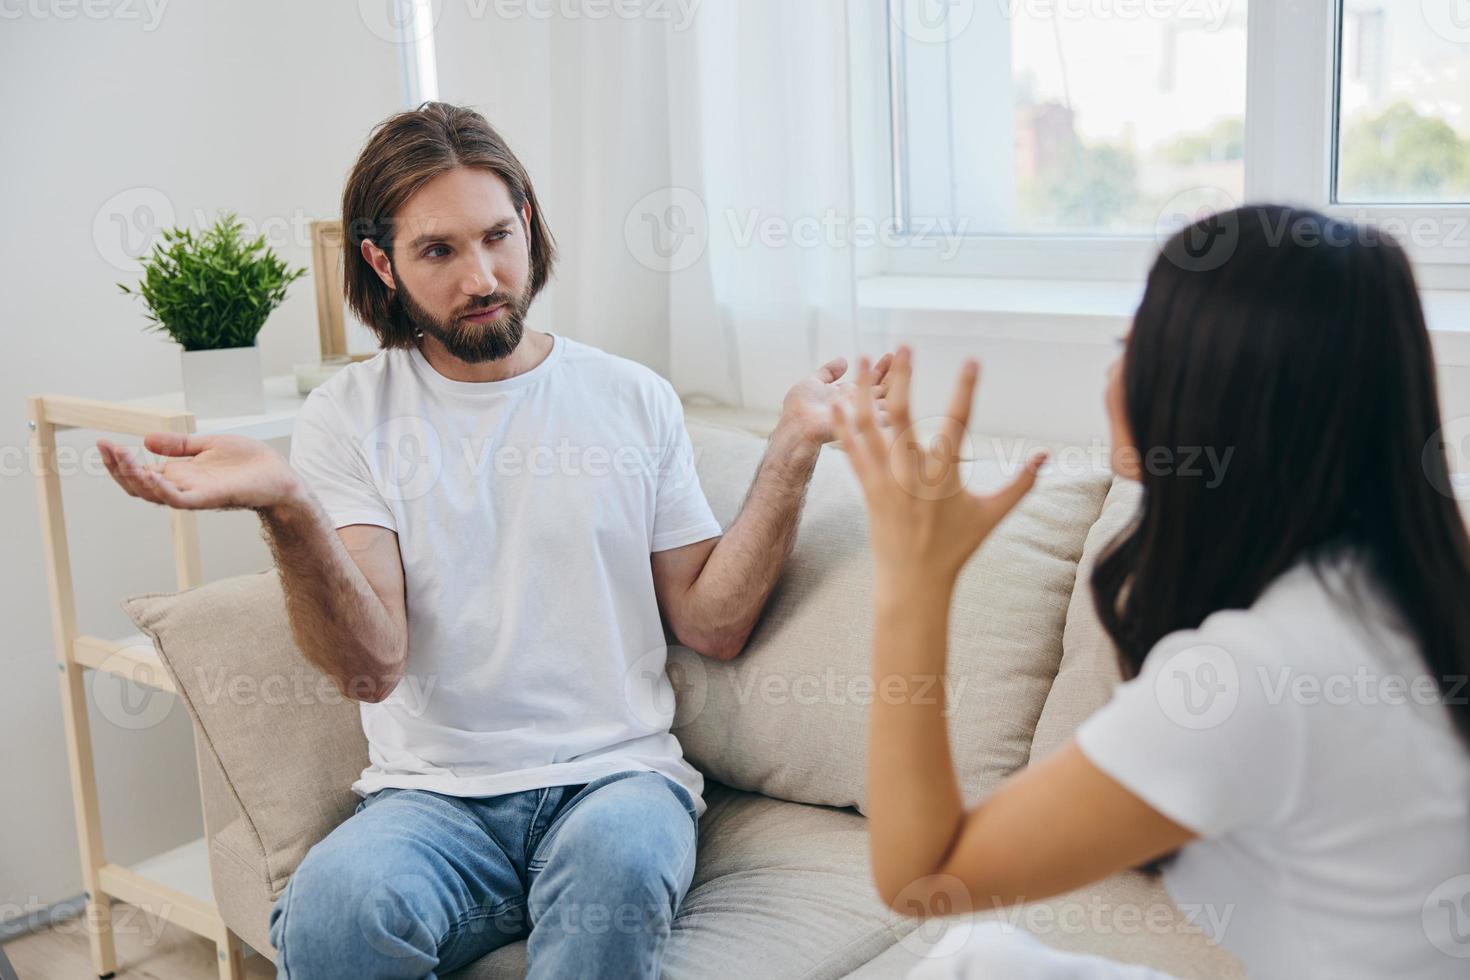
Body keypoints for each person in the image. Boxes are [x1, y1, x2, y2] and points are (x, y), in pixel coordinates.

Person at [96, 101, 893, 978]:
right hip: (432, 804)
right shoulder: (350, 417)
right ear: (381, 263)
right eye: (439, 251)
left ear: (530, 227)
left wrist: (791, 449)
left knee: (621, 871)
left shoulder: (633, 398)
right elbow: (371, 666)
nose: (482, 276)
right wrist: (287, 507)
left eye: (497, 236)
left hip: (617, 784)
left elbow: (712, 624)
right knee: (331, 911)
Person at [833, 205, 1470, 979]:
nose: (1112, 376)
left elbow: (923, 876)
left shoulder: (1255, 671)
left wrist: (913, 577)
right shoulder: (1411, 586)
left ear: (1208, 393)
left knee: (966, 960)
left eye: (1132, 347)